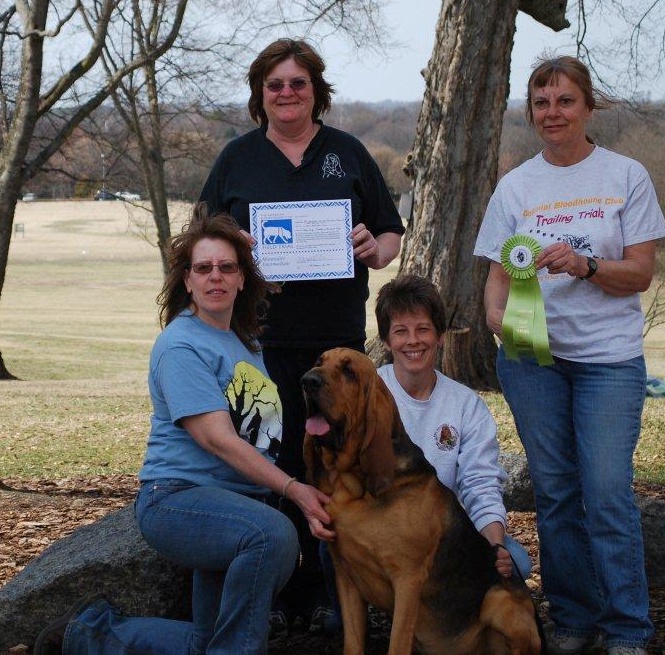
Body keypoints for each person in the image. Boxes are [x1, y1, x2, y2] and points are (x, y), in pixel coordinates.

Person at [34, 206, 333, 655]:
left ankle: (86, 634)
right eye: (203, 268)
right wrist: (294, 490)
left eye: (227, 267)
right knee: (274, 535)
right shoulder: (181, 344)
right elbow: (216, 438)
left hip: (233, 507)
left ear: (241, 279)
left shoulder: (244, 343)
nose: (216, 276)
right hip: (178, 500)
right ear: (187, 280)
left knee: (208, 641)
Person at [197, 38, 404, 633]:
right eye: (274, 85)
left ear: (316, 91)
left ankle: (328, 594)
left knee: (333, 463)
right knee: (272, 460)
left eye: (298, 83)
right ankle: (278, 590)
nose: (286, 93)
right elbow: (203, 239)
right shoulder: (237, 158)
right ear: (261, 97)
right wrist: (238, 245)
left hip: (334, 347)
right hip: (256, 344)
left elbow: (390, 236)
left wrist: (374, 247)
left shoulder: (348, 153)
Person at [473, 56, 665, 655]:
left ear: (588, 106)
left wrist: (586, 265)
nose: (551, 113)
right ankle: (575, 619)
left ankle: (627, 628)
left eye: (564, 101)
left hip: (607, 361)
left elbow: (639, 274)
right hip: (534, 364)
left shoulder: (626, 175)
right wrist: (499, 321)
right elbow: (497, 281)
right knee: (556, 493)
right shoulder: (516, 187)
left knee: (607, 491)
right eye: (540, 102)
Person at [374, 274, 531, 580]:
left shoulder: (466, 404)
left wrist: (495, 546)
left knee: (517, 563)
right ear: (386, 341)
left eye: (423, 329)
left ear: (441, 336)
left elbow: (480, 483)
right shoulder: (371, 392)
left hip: (444, 534)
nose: (413, 341)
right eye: (401, 331)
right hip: (380, 530)